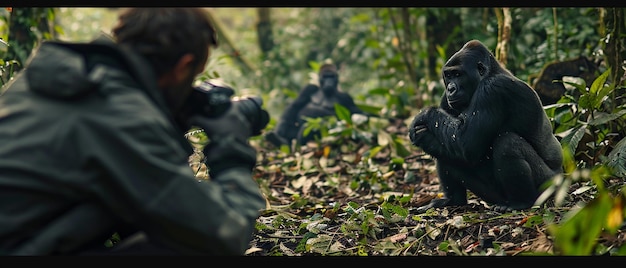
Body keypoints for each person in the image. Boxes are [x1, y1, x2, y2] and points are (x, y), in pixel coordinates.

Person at [0, 8, 267, 255]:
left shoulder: (62, 77)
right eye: (193, 77)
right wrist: (232, 146)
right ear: (183, 66)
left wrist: (173, 121)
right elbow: (227, 233)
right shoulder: (125, 114)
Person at [265, 63, 367, 147]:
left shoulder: (343, 98)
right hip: (297, 130)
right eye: (325, 77)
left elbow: (357, 114)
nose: (328, 82)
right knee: (286, 117)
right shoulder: (310, 91)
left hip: (323, 135)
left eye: (331, 77)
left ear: (337, 79)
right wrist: (280, 128)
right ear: (319, 79)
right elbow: (293, 108)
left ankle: (288, 145)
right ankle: (281, 139)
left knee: (307, 130)